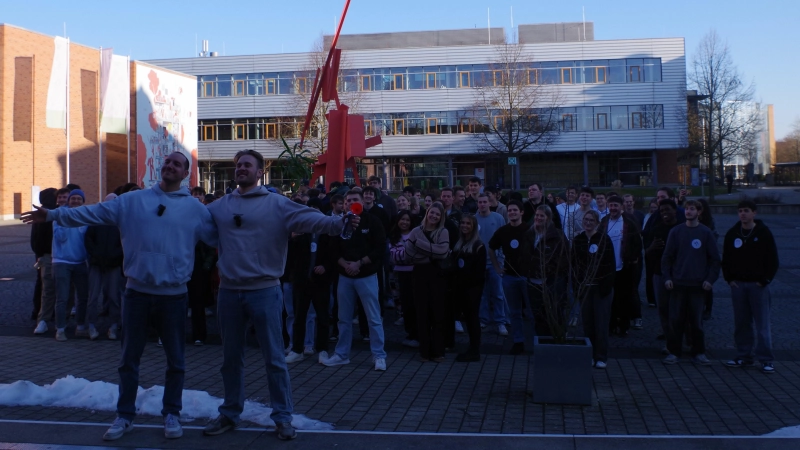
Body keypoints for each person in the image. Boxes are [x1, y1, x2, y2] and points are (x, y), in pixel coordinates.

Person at [22, 152, 216, 441]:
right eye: (167, 162)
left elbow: (224, 237)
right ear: (161, 168)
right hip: (136, 293)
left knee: (176, 361)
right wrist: (52, 214)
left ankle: (172, 413)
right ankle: (125, 415)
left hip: (174, 297)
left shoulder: (195, 209)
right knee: (128, 360)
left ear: (186, 173)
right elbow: (90, 212)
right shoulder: (133, 201)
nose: (170, 165)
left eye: (177, 163)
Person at [321, 190, 387, 371]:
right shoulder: (339, 223)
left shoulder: (373, 221)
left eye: (354, 200)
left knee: (373, 318)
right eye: (348, 200)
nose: (351, 203)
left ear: (361, 201)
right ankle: (342, 354)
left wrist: (359, 263)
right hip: (345, 277)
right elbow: (332, 249)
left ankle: (379, 355)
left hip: (366, 276)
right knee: (343, 318)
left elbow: (380, 247)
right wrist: (345, 264)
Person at [722, 201, 779, 373]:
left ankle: (766, 359)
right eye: (740, 211)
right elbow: (726, 258)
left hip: (758, 286)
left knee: (762, 325)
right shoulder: (733, 233)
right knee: (741, 323)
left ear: (754, 213)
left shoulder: (763, 233)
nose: (742, 214)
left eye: (746, 211)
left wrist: (764, 280)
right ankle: (744, 356)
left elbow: (772, 259)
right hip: (738, 285)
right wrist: (729, 279)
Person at [661, 200, 720, 366]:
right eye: (686, 209)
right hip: (678, 284)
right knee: (675, 320)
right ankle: (674, 352)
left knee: (696, 322)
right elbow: (667, 258)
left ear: (699, 212)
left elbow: (715, 260)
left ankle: (699, 352)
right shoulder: (676, 232)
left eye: (692, 209)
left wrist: (710, 280)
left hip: (698, 285)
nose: (688, 211)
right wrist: (667, 277)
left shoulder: (705, 233)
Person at [285, 200, 334, 364]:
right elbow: (289, 256)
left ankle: (323, 350)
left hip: (321, 281)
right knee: (299, 316)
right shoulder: (300, 233)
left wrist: (325, 266)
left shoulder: (328, 234)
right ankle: (297, 349)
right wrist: (291, 238)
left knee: (322, 317)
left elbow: (335, 254)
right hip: (301, 280)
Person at [405, 202, 451, 362]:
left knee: (438, 313)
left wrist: (420, 245)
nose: (434, 216)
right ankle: (424, 352)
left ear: (441, 217)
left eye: (437, 214)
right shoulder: (416, 231)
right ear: (427, 213)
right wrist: (431, 253)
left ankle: (438, 351)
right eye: (432, 213)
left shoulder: (443, 231)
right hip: (419, 275)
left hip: (437, 276)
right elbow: (408, 255)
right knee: (422, 314)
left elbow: (443, 252)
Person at [571, 210, 616, 369]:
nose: (588, 222)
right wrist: (576, 286)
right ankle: (589, 354)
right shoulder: (578, 240)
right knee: (588, 323)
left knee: (601, 324)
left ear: (597, 222)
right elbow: (574, 264)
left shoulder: (604, 239)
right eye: (586, 219)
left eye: (591, 220)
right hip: (585, 288)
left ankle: (601, 356)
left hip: (601, 288)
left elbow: (611, 264)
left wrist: (606, 286)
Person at [488, 200, 531, 355]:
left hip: (527, 277)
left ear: (521, 212)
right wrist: (497, 267)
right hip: (509, 277)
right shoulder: (503, 231)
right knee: (514, 312)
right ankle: (518, 342)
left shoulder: (529, 230)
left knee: (532, 312)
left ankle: (533, 341)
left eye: (515, 210)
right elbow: (491, 248)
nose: (512, 213)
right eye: (509, 210)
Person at [522, 205, 568, 341]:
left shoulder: (557, 235)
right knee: (538, 315)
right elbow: (524, 256)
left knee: (554, 314)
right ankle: (541, 342)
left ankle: (557, 341)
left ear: (548, 218)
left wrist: (549, 270)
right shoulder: (529, 234)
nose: (538, 218)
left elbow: (564, 258)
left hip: (551, 282)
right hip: (533, 282)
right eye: (537, 215)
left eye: (542, 215)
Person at [84, 193, 125, 341]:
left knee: (114, 297)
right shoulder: (96, 220)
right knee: (93, 297)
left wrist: (116, 255)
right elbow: (88, 239)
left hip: (113, 264)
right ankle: (92, 325)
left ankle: (114, 325)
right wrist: (95, 254)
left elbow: (124, 243)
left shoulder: (121, 222)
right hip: (97, 263)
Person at [51, 189, 90, 341]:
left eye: (79, 199)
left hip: (80, 261)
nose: (75, 201)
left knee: (83, 296)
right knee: (62, 297)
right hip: (61, 261)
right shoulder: (60, 215)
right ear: (68, 200)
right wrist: (67, 222)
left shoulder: (86, 216)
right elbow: (60, 237)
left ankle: (80, 326)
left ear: (83, 201)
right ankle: (60, 328)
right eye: (73, 198)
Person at [600, 196, 642, 337]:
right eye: (611, 205)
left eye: (615, 205)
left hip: (625, 267)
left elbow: (637, 242)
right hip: (608, 268)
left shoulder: (629, 222)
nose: (613, 208)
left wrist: (633, 258)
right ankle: (611, 324)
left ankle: (624, 325)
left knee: (624, 297)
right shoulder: (604, 222)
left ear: (621, 206)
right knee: (609, 298)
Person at [645, 199, 681, 353]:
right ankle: (670, 341)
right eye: (662, 211)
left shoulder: (681, 229)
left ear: (675, 210)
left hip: (678, 275)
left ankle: (680, 340)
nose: (665, 213)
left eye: (667, 210)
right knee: (663, 310)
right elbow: (646, 253)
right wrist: (651, 247)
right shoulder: (656, 229)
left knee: (678, 310)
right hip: (659, 274)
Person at [452, 214, 486, 362]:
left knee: (472, 319)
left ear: (473, 226)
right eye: (462, 223)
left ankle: (475, 349)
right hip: (459, 288)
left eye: (468, 224)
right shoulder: (459, 244)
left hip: (472, 289)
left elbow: (479, 272)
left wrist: (468, 285)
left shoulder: (478, 246)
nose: (465, 226)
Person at [476, 194, 509, 335]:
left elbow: (504, 238)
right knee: (482, 294)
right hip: (479, 263)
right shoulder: (473, 219)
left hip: (495, 262)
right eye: (480, 202)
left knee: (498, 294)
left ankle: (500, 321)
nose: (482, 204)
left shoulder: (498, 218)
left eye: (485, 202)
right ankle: (484, 319)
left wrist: (501, 258)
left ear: (490, 203)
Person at [389, 210, 418, 348]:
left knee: (415, 303)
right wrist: (408, 254)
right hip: (399, 274)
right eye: (402, 219)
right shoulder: (394, 236)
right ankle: (410, 333)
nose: (405, 222)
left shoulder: (416, 234)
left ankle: (417, 334)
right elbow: (394, 257)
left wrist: (404, 254)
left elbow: (417, 255)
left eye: (407, 220)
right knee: (404, 305)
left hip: (415, 272)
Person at [31, 188, 58, 335]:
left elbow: (34, 238)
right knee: (47, 286)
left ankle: (38, 312)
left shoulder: (42, 212)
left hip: (42, 254)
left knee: (42, 285)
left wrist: (38, 253)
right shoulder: (50, 212)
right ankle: (44, 314)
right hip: (48, 254)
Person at [697, 198, 718, 321]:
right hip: (695, 256)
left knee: (707, 284)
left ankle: (708, 308)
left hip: (706, 256)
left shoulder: (710, 222)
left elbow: (714, 237)